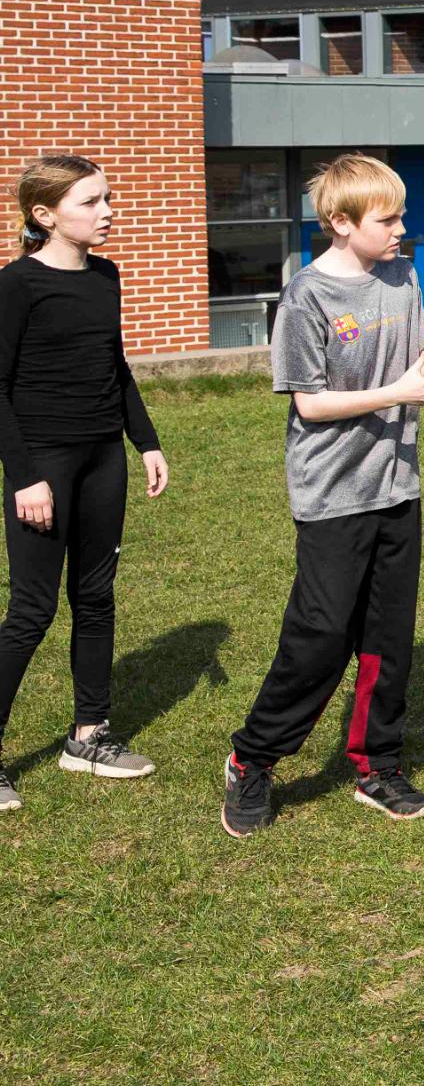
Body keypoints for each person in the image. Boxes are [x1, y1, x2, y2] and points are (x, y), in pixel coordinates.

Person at [223, 155, 424, 838]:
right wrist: (401, 392)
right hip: (332, 491)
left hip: (396, 482)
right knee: (320, 637)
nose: (400, 228)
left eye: (400, 214)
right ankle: (253, 757)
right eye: (387, 218)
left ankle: (376, 764)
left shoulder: (403, 274)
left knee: (388, 639)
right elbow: (311, 402)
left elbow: (418, 358)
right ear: (340, 222)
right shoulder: (306, 297)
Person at [0, 156, 172, 812]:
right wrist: (26, 477)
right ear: (45, 215)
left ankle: (89, 735)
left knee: (96, 597)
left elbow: (114, 365)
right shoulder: (17, 285)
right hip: (44, 461)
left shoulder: (106, 277)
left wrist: (145, 441)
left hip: (105, 457)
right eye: (91, 201)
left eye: (108, 198)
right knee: (32, 612)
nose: (107, 210)